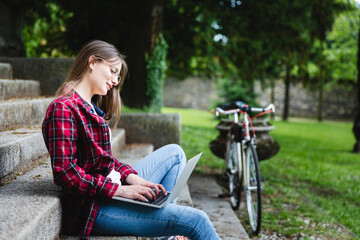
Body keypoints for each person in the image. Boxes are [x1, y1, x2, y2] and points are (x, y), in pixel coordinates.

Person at [42, 40, 221, 240]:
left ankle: (163, 229)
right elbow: (66, 174)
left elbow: (105, 162)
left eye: (118, 76)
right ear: (92, 62)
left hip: (109, 191)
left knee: (175, 154)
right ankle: (166, 227)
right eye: (112, 71)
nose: (115, 81)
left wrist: (134, 179)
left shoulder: (91, 107)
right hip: (94, 208)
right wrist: (120, 191)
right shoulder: (64, 108)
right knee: (198, 220)